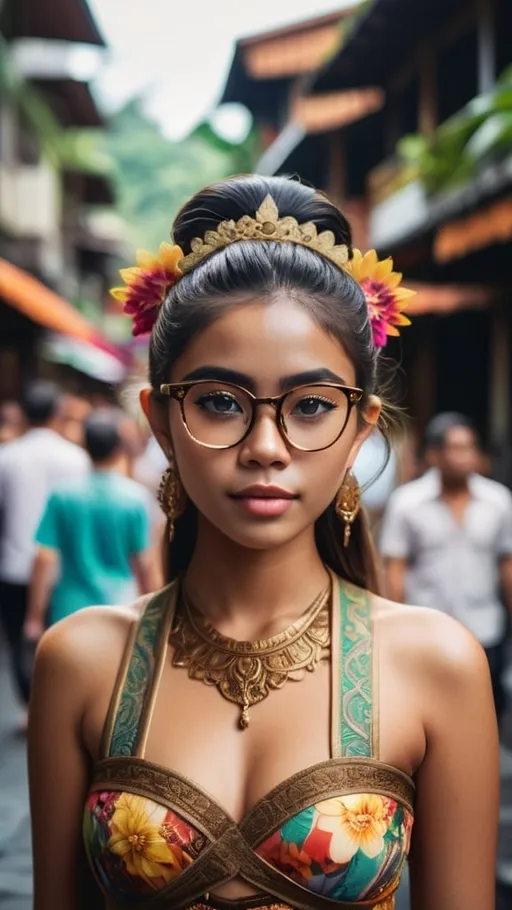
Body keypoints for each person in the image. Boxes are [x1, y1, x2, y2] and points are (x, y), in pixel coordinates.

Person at [28, 177, 498, 910]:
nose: (266, 447)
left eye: (311, 406)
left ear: (359, 429)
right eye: (220, 402)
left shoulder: (438, 666)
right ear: (160, 422)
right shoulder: (82, 661)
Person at [381, 411, 512, 726]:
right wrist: (393, 625)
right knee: (429, 712)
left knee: (485, 712)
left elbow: (506, 562)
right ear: (435, 454)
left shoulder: (498, 500)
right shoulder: (407, 502)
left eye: (469, 447)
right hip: (427, 628)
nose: (464, 456)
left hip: (485, 626)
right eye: (455, 448)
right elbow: (395, 567)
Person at [25, 409, 157, 638]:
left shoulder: (62, 495)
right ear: (118, 449)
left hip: (69, 611)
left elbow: (44, 557)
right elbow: (144, 564)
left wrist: (34, 617)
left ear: (85, 445)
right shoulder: (135, 499)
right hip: (121, 610)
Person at [0, 381, 88, 716]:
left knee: (19, 638)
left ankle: (30, 704)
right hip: (63, 568)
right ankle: (56, 703)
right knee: (60, 640)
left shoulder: (8, 456)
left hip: (13, 563)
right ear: (57, 414)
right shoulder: (76, 458)